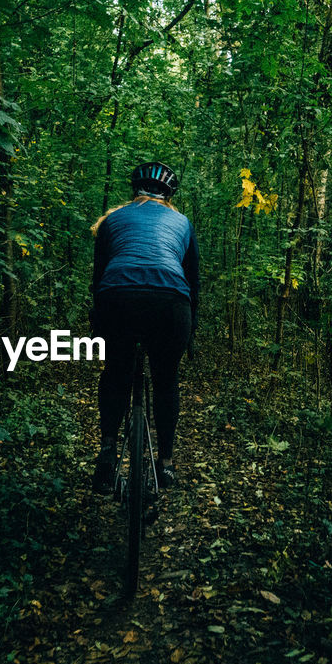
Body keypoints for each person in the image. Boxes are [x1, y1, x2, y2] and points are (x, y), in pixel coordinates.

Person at [89, 161, 199, 523]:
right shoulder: (182, 223)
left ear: (134, 191)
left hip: (117, 298)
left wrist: (100, 323)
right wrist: (189, 330)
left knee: (116, 371)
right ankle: (165, 463)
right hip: (170, 304)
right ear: (168, 197)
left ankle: (107, 452)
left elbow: (99, 276)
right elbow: (192, 283)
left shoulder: (112, 220)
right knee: (166, 380)